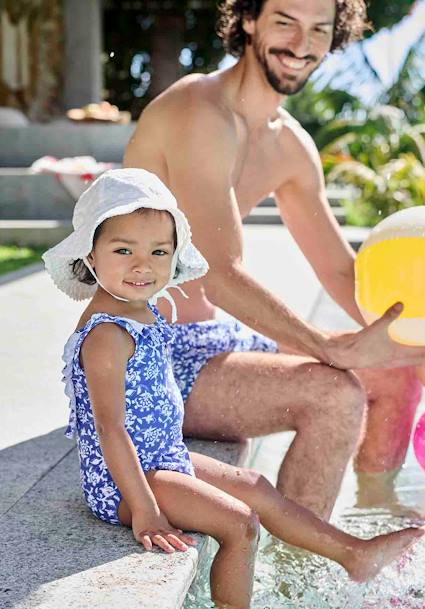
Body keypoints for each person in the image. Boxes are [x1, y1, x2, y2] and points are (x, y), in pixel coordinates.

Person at [43, 168, 423, 609]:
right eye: (123, 250)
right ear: (91, 258)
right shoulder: (108, 334)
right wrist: (145, 508)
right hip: (126, 481)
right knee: (240, 523)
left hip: (162, 457)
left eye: (158, 251)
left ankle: (353, 554)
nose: (142, 265)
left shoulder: (138, 312)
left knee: (255, 485)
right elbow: (110, 429)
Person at [123, 0, 425, 520]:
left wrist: (414, 339)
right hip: (141, 355)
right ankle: (296, 573)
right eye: (285, 22)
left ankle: (376, 512)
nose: (300, 43)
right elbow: (217, 273)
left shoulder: (289, 145)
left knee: (401, 371)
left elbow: (340, 271)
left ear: (335, 38)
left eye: (318, 30)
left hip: (213, 341)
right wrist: (328, 346)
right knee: (334, 396)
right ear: (247, 20)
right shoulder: (200, 112)